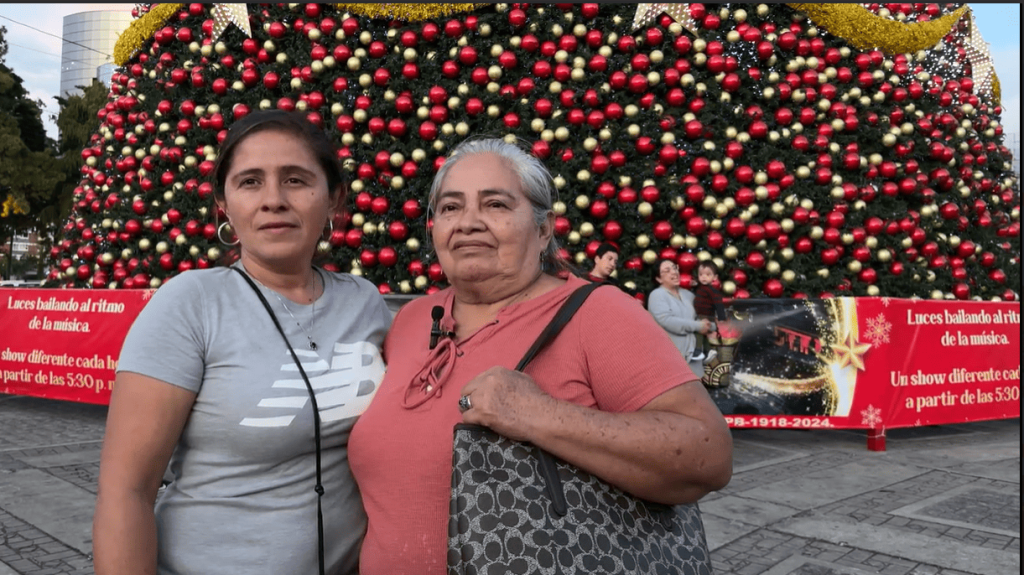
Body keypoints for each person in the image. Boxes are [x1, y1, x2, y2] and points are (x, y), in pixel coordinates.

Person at [348, 137, 733, 575]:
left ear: (544, 228)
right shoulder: (413, 319)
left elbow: (709, 453)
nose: (468, 223)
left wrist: (541, 416)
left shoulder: (598, 313)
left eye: (495, 204)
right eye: (451, 207)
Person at [92, 110, 392, 575]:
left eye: (295, 180)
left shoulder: (366, 303)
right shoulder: (190, 304)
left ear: (333, 198)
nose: (273, 200)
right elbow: (125, 492)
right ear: (224, 204)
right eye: (250, 182)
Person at [648, 258, 713, 374]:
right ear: (658, 278)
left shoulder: (688, 295)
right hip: (671, 360)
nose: (673, 272)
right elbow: (668, 321)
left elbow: (701, 318)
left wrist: (711, 326)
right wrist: (698, 326)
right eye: (667, 270)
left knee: (697, 389)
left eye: (674, 268)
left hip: (694, 359)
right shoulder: (657, 295)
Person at [693, 261, 727, 364]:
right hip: (699, 315)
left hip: (706, 316)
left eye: (708, 275)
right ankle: (708, 351)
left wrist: (722, 318)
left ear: (715, 277)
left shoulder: (713, 292)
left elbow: (719, 305)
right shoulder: (700, 288)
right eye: (701, 274)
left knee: (698, 331)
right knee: (704, 334)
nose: (704, 277)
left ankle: (697, 351)